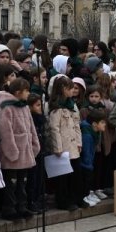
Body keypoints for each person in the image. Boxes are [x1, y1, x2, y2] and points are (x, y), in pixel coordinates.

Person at [0, 78, 38, 220]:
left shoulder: (25, 107)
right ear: (18, 92)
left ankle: (22, 206)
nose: (28, 94)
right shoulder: (6, 107)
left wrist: (34, 144)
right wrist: (12, 152)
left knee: (23, 181)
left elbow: (31, 127)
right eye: (26, 91)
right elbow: (5, 131)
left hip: (25, 152)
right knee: (11, 183)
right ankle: (9, 209)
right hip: (13, 154)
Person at [47, 76, 84, 210]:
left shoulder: (72, 105)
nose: (73, 91)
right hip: (62, 147)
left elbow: (77, 125)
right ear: (63, 89)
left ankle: (77, 198)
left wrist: (79, 142)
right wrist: (58, 147)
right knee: (63, 177)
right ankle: (64, 201)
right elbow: (54, 128)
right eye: (70, 88)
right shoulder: (56, 107)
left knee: (76, 175)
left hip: (73, 145)